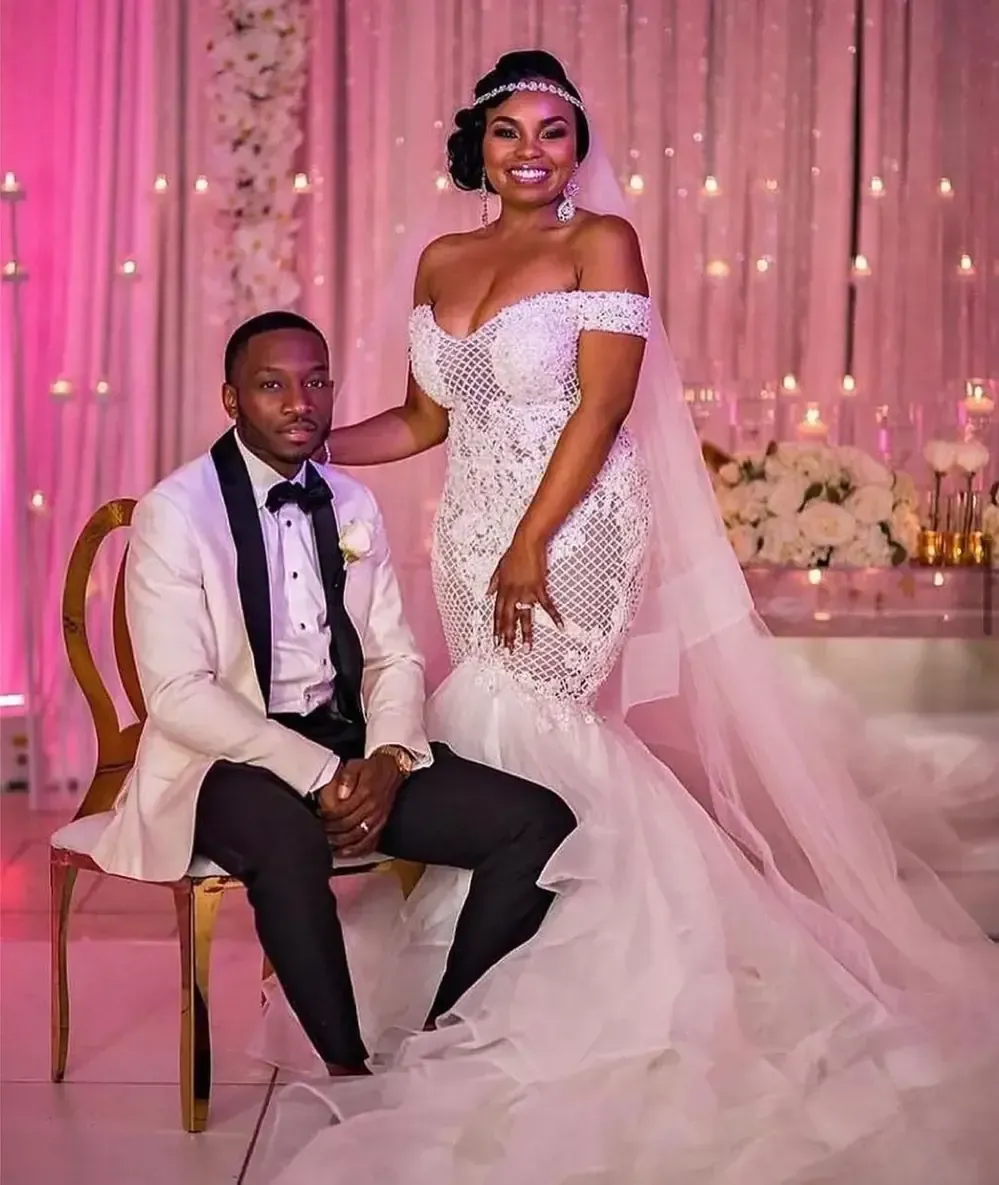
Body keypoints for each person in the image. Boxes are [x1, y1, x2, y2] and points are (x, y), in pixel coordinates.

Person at [258, 53, 999, 1184]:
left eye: (554, 132)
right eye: (510, 132)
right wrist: (306, 442)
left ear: (577, 145)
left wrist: (530, 543)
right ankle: (491, 941)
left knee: (539, 714)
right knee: (483, 729)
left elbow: (601, 411)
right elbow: (420, 419)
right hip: (468, 534)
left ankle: (629, 964)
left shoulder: (599, 244)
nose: (532, 152)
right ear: (479, 144)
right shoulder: (443, 259)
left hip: (573, 527)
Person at [90, 309, 576, 1075]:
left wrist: (384, 759)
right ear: (230, 399)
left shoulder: (351, 503)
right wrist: (322, 777)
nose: (299, 403)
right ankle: (348, 1069)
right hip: (218, 761)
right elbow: (179, 695)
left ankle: (441, 1037)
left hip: (346, 742)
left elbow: (392, 654)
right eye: (272, 386)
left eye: (315, 382)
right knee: (286, 842)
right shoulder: (175, 512)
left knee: (537, 822)